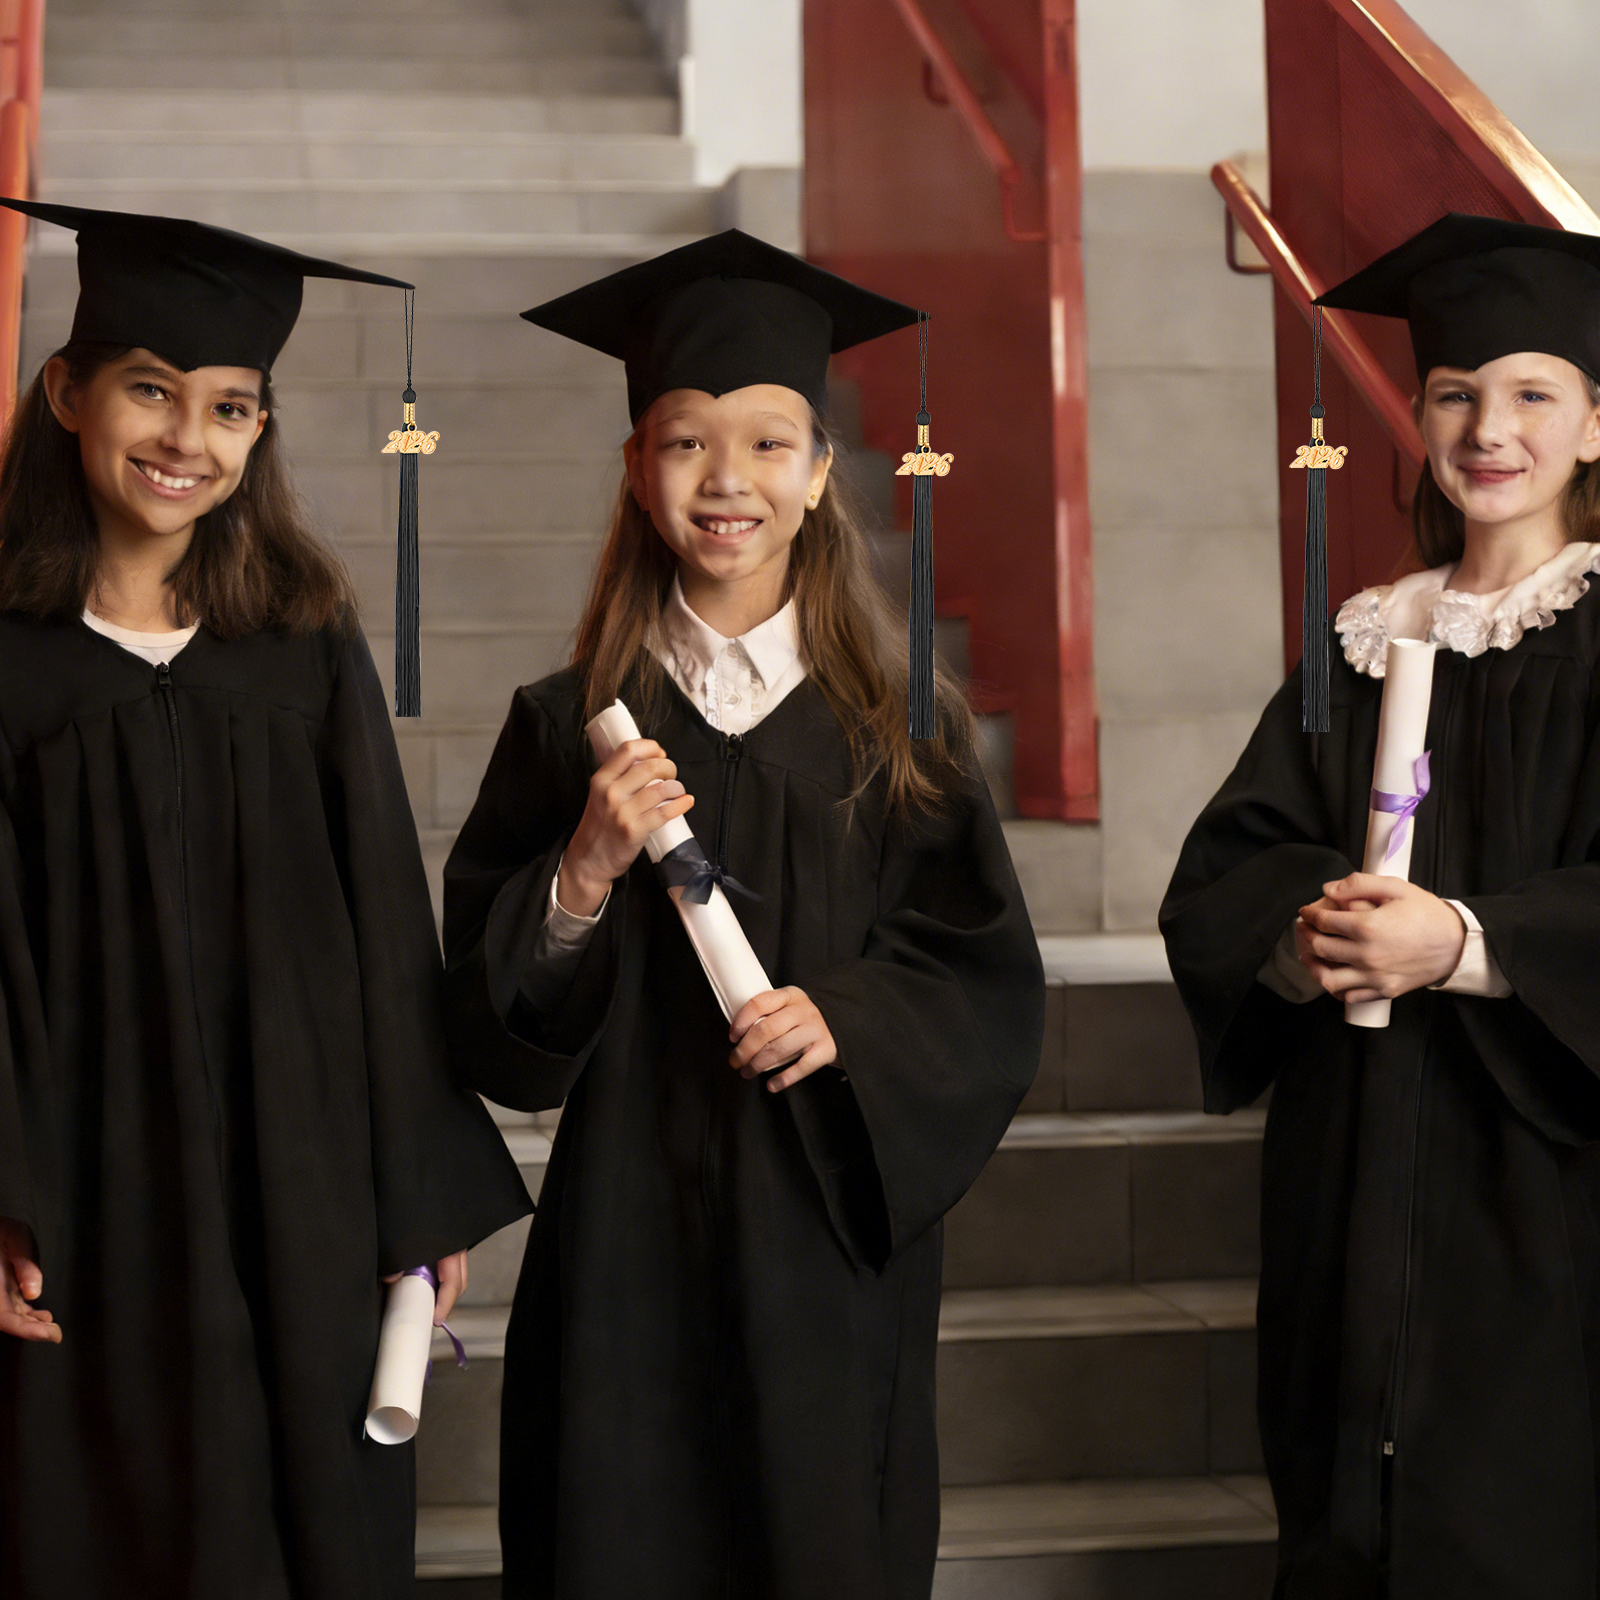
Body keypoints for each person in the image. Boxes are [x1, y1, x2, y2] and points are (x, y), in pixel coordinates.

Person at [443, 230, 1045, 1600]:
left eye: (771, 443)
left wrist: (848, 1020)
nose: (728, 480)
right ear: (635, 467)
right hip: (625, 1238)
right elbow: (488, 1022)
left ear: (823, 473)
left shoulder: (899, 730)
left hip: (821, 1239)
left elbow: (981, 979)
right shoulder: (568, 725)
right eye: (686, 442)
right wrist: (580, 873)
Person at [0, 202, 531, 1599]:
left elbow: (386, 913)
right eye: (151, 390)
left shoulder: (300, 638)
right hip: (92, 1176)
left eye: (231, 408)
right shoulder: (11, 658)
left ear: (260, 431)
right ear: (67, 392)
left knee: (313, 1521)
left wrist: (416, 1187)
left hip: (308, 1172)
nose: (189, 438)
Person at [1161, 213, 1600, 1599]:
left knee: (1517, 1517)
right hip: (1349, 1163)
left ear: (1597, 425)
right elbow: (1232, 864)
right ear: (1417, 417)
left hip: (1541, 1177)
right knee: (1343, 1504)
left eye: (1534, 394)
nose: (1491, 429)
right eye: (1456, 394)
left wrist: (1465, 942)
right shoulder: (1360, 640)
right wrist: (1308, 932)